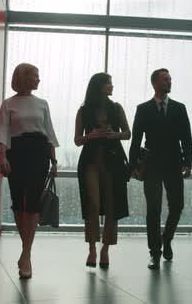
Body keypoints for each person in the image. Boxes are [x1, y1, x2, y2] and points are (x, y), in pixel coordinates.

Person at [0, 63, 59, 279]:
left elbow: (49, 132)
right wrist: (1, 157)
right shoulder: (8, 104)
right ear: (23, 78)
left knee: (32, 202)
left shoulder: (43, 104)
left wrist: (54, 161)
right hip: (17, 153)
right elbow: (3, 131)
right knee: (17, 201)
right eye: (35, 76)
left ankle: (26, 255)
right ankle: (26, 252)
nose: (38, 80)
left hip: (39, 153)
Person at [129, 68, 192, 270]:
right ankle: (154, 252)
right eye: (166, 79)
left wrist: (188, 162)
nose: (170, 82)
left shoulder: (179, 108)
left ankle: (166, 239)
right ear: (155, 83)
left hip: (174, 164)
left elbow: (187, 137)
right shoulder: (143, 108)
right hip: (152, 165)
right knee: (153, 209)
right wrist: (133, 166)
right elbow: (136, 139)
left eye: (170, 79)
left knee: (177, 207)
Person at [75, 72, 131, 269]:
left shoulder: (116, 108)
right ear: (99, 86)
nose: (112, 87)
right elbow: (77, 140)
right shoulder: (83, 111)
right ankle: (91, 248)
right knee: (93, 203)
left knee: (111, 206)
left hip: (112, 161)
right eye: (109, 83)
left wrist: (113, 134)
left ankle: (105, 249)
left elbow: (127, 133)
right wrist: (90, 135)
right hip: (89, 161)